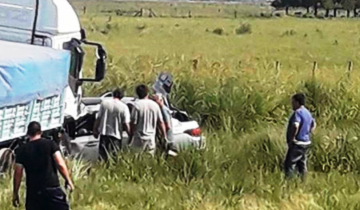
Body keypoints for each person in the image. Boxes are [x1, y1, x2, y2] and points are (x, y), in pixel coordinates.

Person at [13, 121, 74, 210]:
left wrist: (15, 193)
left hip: (33, 193)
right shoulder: (50, 144)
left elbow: (17, 173)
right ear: (40, 132)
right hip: (52, 189)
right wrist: (68, 180)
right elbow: (60, 164)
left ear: (28, 133)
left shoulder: (22, 150)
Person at [93, 88, 130, 162]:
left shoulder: (104, 103)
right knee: (115, 158)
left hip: (104, 134)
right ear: (122, 97)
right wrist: (130, 134)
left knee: (102, 158)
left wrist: (95, 130)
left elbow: (98, 118)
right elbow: (126, 123)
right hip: (116, 136)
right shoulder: (124, 107)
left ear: (113, 94)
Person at [284, 93, 316, 180]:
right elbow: (313, 124)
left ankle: (289, 183)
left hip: (297, 143)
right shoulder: (308, 113)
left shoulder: (297, 113)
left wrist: (292, 138)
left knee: (289, 164)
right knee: (302, 164)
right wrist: (307, 132)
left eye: (293, 102)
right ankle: (303, 182)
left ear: (297, 102)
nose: (292, 104)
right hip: (306, 142)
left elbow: (295, 125)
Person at [130, 85, 168, 156]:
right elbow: (160, 122)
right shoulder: (155, 105)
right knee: (149, 158)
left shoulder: (136, 105)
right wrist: (164, 136)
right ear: (147, 93)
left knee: (137, 158)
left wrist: (131, 135)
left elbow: (133, 123)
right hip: (150, 138)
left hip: (138, 138)